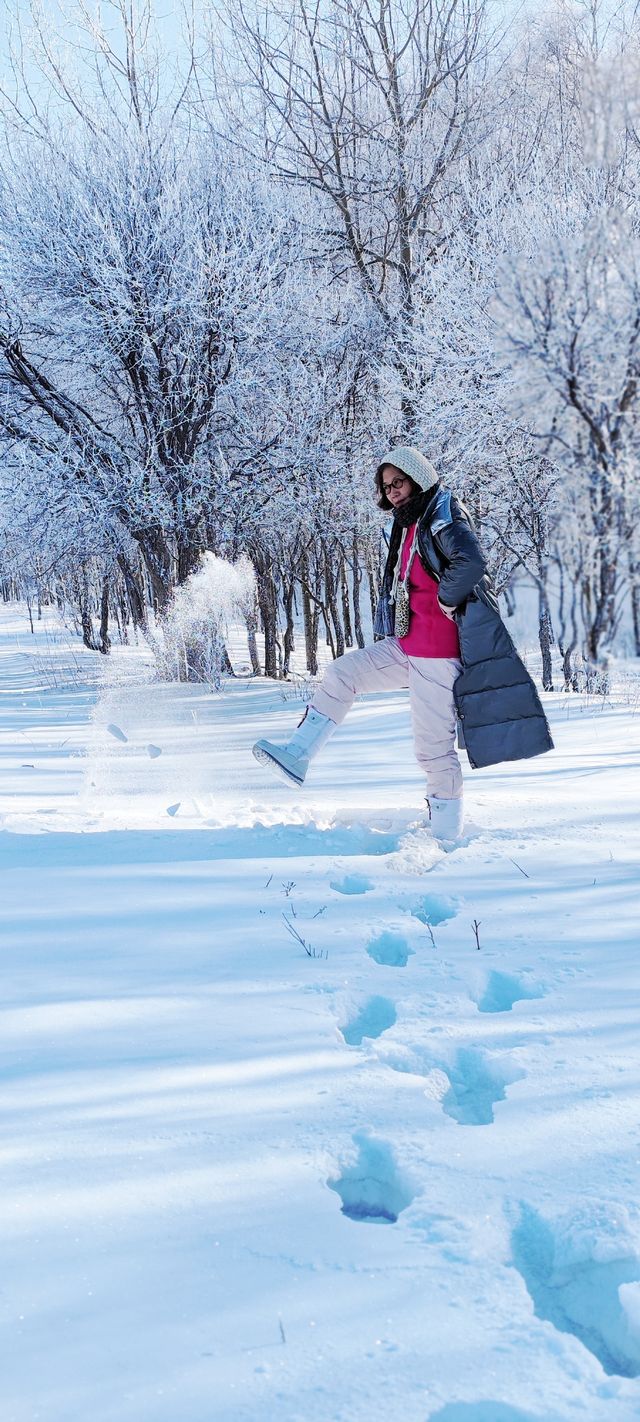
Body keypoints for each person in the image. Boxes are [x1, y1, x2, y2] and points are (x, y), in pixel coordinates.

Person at [252, 446, 553, 847]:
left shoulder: (444, 514)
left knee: (433, 752)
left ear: (418, 477)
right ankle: (297, 755)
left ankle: (447, 838)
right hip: (409, 645)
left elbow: (472, 562)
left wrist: (446, 599)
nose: (392, 491)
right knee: (344, 672)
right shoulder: (410, 523)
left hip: (438, 652)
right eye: (386, 486)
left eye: (399, 482)